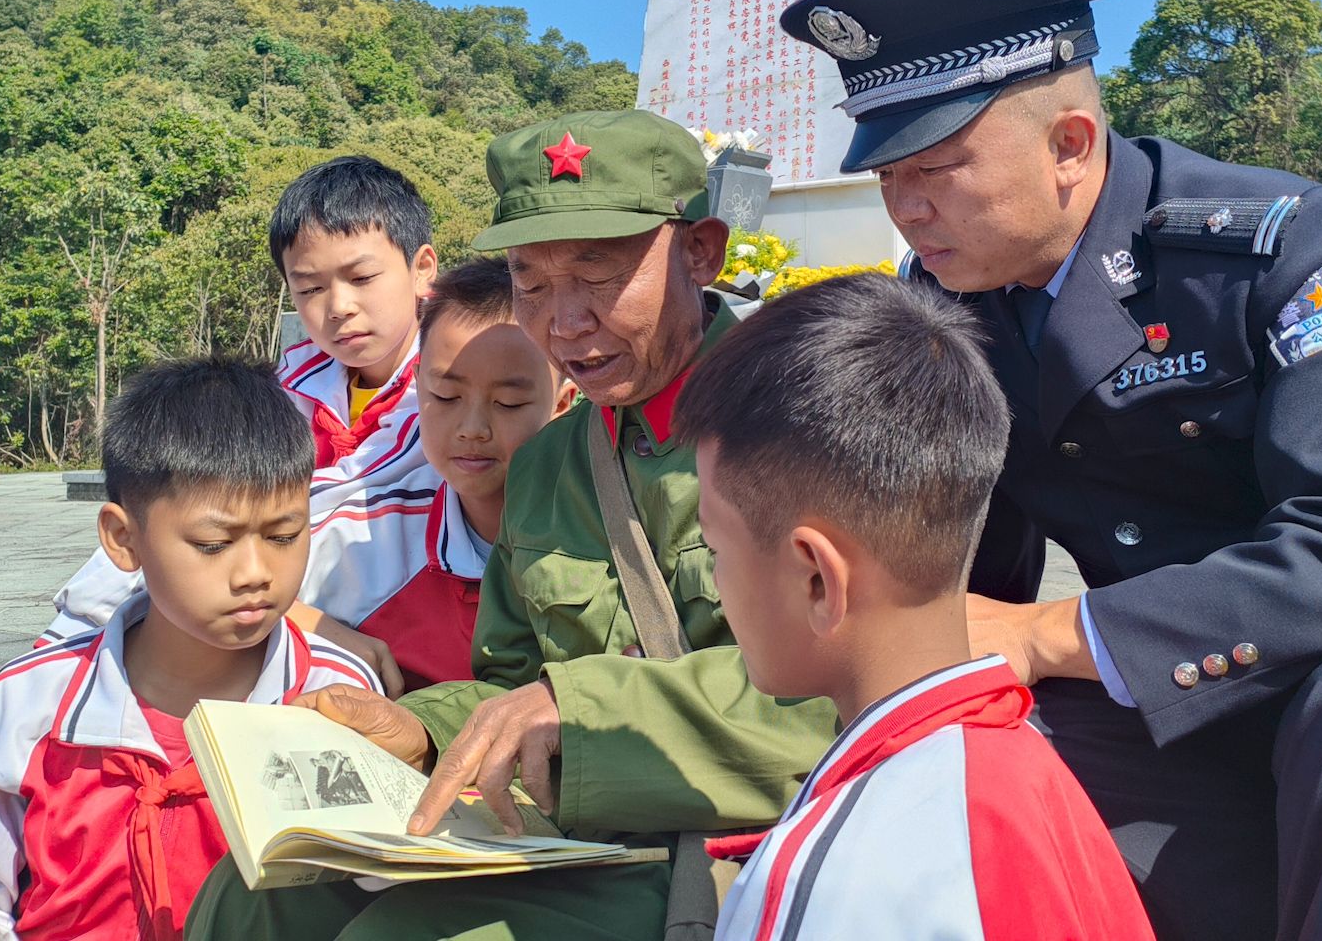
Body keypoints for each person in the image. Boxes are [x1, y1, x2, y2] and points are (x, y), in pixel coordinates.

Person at [780, 0, 1322, 940]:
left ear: (1070, 145)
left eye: (934, 171)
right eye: (888, 178)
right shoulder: (951, 304)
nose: (907, 209)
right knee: (956, 749)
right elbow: (974, 578)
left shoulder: (1289, 246)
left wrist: (1046, 638)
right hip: (1207, 680)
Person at [185, 109, 838, 941]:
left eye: (598, 275)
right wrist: (419, 728)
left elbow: (837, 685)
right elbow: (511, 679)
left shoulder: (805, 425)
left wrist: (573, 707)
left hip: (731, 833)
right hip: (574, 827)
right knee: (256, 896)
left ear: (700, 252)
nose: (563, 322)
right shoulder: (551, 465)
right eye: (531, 282)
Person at [675, 272, 1154, 940]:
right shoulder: (1038, 777)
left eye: (714, 547)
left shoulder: (839, 877)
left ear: (817, 579)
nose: (717, 579)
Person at [0, 358, 381, 940]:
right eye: (214, 544)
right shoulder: (34, 701)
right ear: (123, 539)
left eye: (284, 536)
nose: (256, 573)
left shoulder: (334, 697)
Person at [43, 156, 437, 691]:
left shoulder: (452, 385)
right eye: (310, 288)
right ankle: (69, 655)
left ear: (422, 269)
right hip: (276, 615)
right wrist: (302, 618)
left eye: (361, 277)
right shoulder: (290, 385)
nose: (339, 306)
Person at [292, 255, 576, 693]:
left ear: (562, 404)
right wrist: (321, 628)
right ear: (417, 387)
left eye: (509, 404)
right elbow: (212, 591)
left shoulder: (607, 532)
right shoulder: (362, 540)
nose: (472, 430)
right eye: (445, 396)